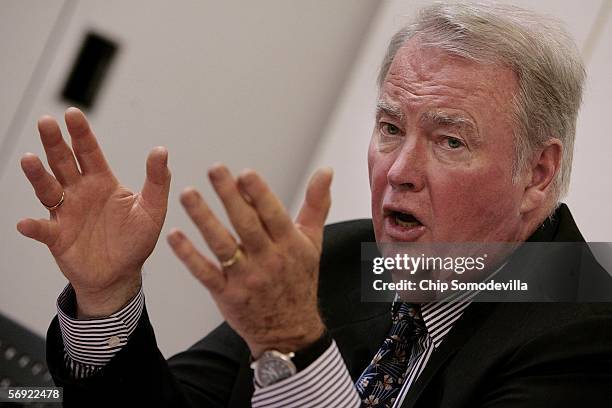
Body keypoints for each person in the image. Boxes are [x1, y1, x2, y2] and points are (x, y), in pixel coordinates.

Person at [17, 2, 612, 407]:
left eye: (450, 140)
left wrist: (295, 344)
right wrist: (106, 299)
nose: (400, 171)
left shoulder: (588, 337)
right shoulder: (337, 256)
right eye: (389, 127)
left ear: (537, 173)